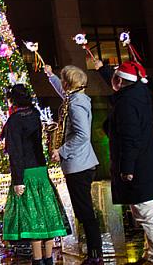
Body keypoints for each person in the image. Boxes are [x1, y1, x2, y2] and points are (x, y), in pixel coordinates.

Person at [99, 60, 153, 265]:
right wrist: (103, 70)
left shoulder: (127, 103)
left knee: (148, 215)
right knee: (147, 213)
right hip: (146, 164)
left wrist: (127, 168)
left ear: (119, 80)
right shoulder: (138, 94)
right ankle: (152, 254)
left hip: (139, 168)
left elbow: (130, 137)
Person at [2, 83, 69, 265]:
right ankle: (48, 260)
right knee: (46, 217)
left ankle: (37, 260)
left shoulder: (14, 121)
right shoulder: (35, 115)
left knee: (33, 220)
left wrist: (18, 180)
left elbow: (16, 153)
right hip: (40, 170)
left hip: (27, 173)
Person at [45, 64, 103, 265]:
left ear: (69, 83)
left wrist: (60, 151)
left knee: (85, 212)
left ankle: (95, 254)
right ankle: (94, 252)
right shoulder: (74, 98)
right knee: (83, 211)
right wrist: (51, 76)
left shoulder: (77, 103)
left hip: (79, 165)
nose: (62, 84)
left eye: (63, 80)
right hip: (79, 164)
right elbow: (63, 93)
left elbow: (82, 135)